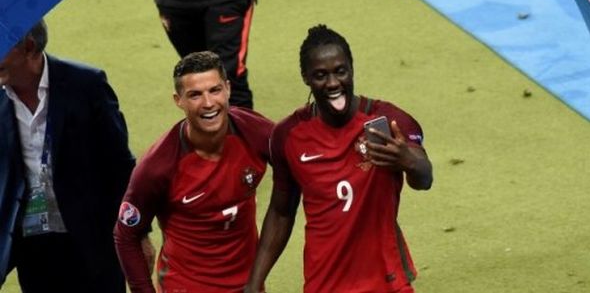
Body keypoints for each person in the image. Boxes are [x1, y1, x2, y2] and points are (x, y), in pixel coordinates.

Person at [245, 24, 433, 293]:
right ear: (305, 77)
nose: (333, 83)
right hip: (325, 281)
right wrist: (254, 283)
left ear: (352, 68)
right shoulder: (288, 135)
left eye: (340, 71)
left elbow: (425, 179)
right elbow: (281, 211)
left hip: (387, 280)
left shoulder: (390, 121)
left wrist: (409, 161)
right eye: (321, 75)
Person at [114, 51, 274, 293]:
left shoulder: (255, 133)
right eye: (195, 95)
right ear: (179, 100)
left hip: (249, 285)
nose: (208, 103)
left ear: (228, 89)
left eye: (215, 90)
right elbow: (125, 235)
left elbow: (301, 159)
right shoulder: (158, 166)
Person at [0, 19, 136, 293]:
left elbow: (120, 164)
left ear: (29, 47)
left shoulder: (86, 85)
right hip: (30, 240)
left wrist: (135, 232)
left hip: (92, 237)